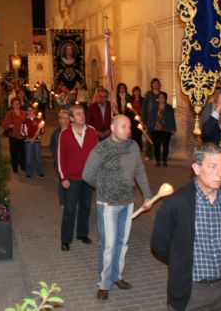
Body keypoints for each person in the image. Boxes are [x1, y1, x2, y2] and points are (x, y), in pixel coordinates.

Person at [151, 143, 221, 311]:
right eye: (212, 166)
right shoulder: (177, 203)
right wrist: (181, 261)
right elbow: (159, 245)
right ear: (196, 168)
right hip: (191, 292)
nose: (220, 173)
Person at [82, 115, 152, 301]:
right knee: (109, 245)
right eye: (123, 126)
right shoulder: (101, 149)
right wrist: (104, 188)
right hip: (108, 205)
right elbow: (87, 174)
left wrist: (147, 195)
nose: (128, 130)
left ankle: (117, 276)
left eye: (129, 127)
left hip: (128, 202)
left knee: (122, 243)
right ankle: (104, 284)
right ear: (113, 128)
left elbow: (139, 171)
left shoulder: (133, 146)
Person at [57, 105, 99, 251]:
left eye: (82, 113)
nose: (82, 116)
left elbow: (97, 154)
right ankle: (66, 239)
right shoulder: (65, 134)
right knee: (70, 209)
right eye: (78, 114)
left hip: (88, 178)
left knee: (86, 207)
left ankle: (82, 234)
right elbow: (60, 156)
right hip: (72, 178)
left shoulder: (92, 131)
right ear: (72, 118)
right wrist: (63, 177)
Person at [147, 92, 177, 167]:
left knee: (165, 146)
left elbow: (172, 118)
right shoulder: (154, 107)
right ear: (157, 99)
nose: (161, 99)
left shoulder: (169, 108)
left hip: (166, 130)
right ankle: (158, 161)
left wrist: (173, 129)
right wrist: (149, 127)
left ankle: (164, 160)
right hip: (156, 129)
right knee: (157, 146)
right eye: (159, 97)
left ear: (165, 99)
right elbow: (151, 118)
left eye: (162, 97)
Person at [50, 110, 70, 207]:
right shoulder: (56, 133)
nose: (65, 121)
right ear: (59, 120)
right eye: (63, 118)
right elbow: (52, 147)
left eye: (67, 118)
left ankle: (71, 199)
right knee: (62, 182)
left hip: (71, 161)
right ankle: (63, 201)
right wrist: (57, 156)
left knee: (72, 182)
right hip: (60, 163)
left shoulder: (73, 131)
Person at [2, 98, 27, 173]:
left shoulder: (23, 113)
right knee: (14, 153)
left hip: (22, 136)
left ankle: (23, 166)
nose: (17, 105)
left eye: (18, 103)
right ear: (12, 105)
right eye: (15, 103)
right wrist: (9, 126)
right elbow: (4, 125)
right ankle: (15, 167)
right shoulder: (10, 113)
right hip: (13, 136)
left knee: (22, 152)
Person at [21, 106, 45, 180]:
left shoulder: (39, 120)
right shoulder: (24, 121)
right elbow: (22, 132)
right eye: (28, 110)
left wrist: (40, 131)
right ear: (27, 112)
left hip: (37, 140)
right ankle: (28, 173)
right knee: (28, 157)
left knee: (37, 157)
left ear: (34, 111)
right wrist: (29, 138)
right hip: (28, 141)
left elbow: (42, 131)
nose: (30, 112)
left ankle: (39, 172)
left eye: (31, 110)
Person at [141, 78, 161, 160]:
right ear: (152, 85)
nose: (155, 85)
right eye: (154, 83)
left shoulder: (161, 94)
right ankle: (148, 154)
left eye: (157, 83)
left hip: (159, 119)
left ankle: (157, 153)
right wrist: (143, 119)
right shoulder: (148, 94)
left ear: (159, 85)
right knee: (149, 137)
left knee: (158, 137)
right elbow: (144, 107)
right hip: (149, 119)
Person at [129, 86, 144, 150]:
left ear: (139, 92)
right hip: (132, 118)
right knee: (133, 133)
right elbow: (128, 109)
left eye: (138, 91)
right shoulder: (131, 99)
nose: (136, 92)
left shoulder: (142, 99)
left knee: (139, 133)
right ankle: (133, 147)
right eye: (135, 91)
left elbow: (144, 109)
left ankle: (139, 147)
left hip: (139, 118)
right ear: (133, 92)